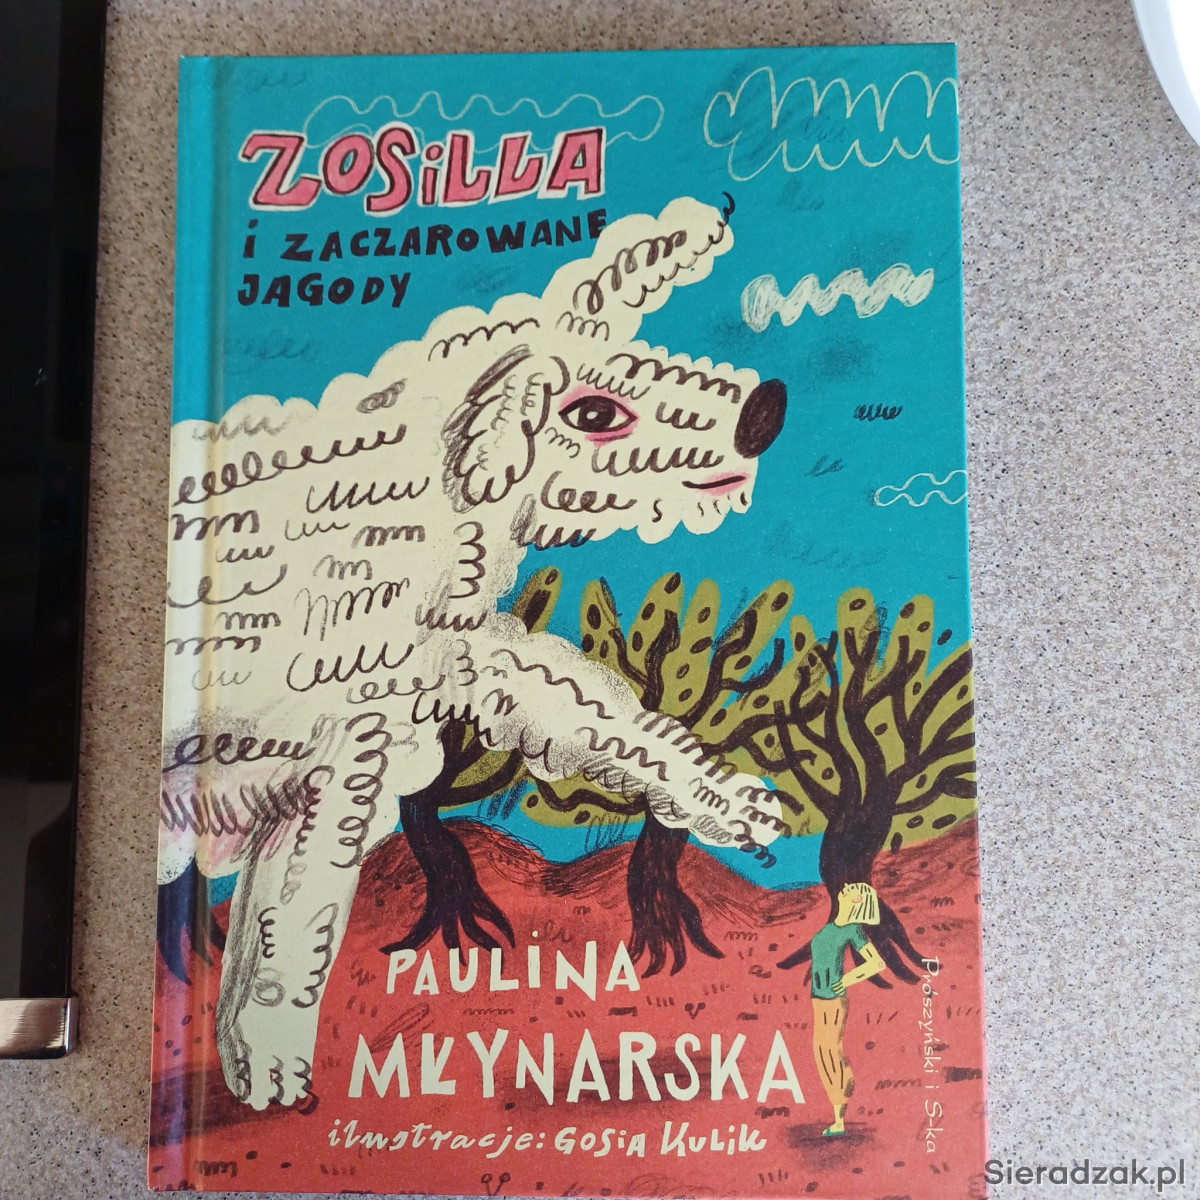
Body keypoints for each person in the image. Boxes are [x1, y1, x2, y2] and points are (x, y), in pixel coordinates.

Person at [808, 881, 887, 1137]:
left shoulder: (853, 929)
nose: (846, 887)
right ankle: (840, 1101)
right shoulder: (831, 927)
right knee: (822, 1051)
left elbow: (876, 963)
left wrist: (847, 980)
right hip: (819, 998)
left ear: (857, 900)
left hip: (832, 998)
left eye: (853, 889)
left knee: (829, 1052)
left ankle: (839, 1117)